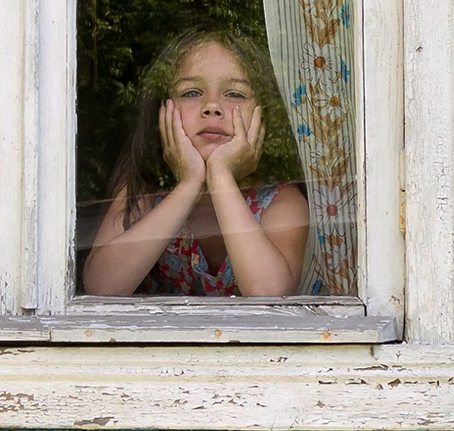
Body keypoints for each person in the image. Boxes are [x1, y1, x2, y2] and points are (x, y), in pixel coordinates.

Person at [81, 29, 310, 296]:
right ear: (163, 111)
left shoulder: (282, 203)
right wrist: (189, 184)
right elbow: (101, 287)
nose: (212, 106)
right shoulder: (143, 191)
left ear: (263, 117)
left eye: (235, 93)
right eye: (191, 93)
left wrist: (220, 175)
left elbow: (270, 294)